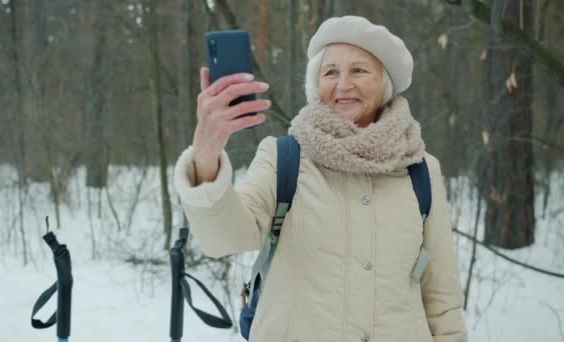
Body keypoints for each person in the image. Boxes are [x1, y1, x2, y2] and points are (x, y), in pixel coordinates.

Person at [174, 16, 467, 342]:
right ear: (316, 84)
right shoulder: (283, 157)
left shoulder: (422, 170)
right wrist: (205, 153)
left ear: (385, 83)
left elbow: (442, 298)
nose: (343, 84)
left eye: (359, 70)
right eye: (330, 72)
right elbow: (224, 238)